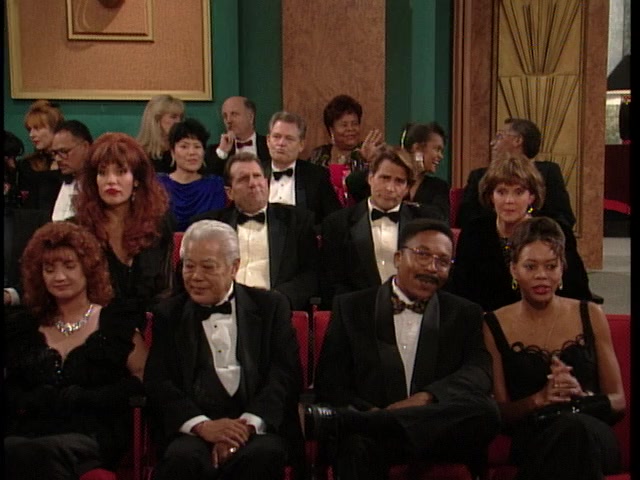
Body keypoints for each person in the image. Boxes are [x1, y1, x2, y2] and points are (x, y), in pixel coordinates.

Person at [305, 218, 500, 480]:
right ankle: (374, 424)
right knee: (356, 446)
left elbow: (479, 372)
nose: (432, 267)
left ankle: (371, 423)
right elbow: (330, 382)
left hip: (436, 437)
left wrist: (426, 398)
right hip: (373, 440)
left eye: (443, 261)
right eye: (423, 255)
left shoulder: (464, 313)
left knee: (487, 411)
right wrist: (371, 413)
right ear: (398, 257)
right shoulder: (352, 307)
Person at [144, 220, 304, 480]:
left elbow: (284, 375)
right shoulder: (168, 314)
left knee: (263, 455)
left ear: (234, 267)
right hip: (194, 430)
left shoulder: (271, 307)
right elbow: (159, 381)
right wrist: (202, 426)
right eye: (189, 266)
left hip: (256, 426)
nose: (195, 277)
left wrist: (245, 427)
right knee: (183, 458)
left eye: (208, 267)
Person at [483, 216, 625, 480]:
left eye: (551, 266)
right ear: (514, 270)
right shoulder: (493, 324)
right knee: (566, 439)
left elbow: (618, 400)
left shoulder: (590, 314)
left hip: (593, 434)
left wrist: (582, 397)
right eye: (530, 266)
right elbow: (500, 413)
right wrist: (540, 399)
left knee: (575, 429)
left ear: (562, 269)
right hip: (534, 437)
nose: (542, 276)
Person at [4, 221, 148, 479]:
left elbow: (143, 378)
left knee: (32, 453)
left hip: (93, 434)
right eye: (49, 269)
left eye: (69, 266)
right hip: (30, 432)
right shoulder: (23, 327)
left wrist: (92, 397)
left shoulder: (116, 323)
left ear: (88, 268)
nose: (59, 277)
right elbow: (11, 388)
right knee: (21, 449)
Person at [448, 152, 593, 312]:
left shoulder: (555, 231)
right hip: (487, 320)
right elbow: (461, 292)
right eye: (501, 192)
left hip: (548, 317)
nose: (509, 200)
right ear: (491, 196)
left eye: (518, 192)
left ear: (531, 197)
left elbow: (578, 293)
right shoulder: (474, 232)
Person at [189, 152, 319, 310]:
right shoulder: (209, 226)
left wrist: (277, 300)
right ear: (229, 192)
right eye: (243, 179)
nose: (253, 183)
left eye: (257, 176)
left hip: (274, 310)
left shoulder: (297, 221)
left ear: (266, 183)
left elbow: (311, 275)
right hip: (221, 307)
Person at [320, 146, 445, 308]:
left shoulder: (425, 223)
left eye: (399, 181)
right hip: (358, 311)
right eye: (384, 178)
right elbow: (332, 283)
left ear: (407, 188)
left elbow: (436, 278)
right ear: (370, 178)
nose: (390, 188)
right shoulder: (338, 223)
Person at [72, 132, 174, 325]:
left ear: (136, 179)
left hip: (151, 327)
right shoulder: (79, 229)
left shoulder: (158, 225)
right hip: (97, 327)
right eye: (102, 172)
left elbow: (166, 291)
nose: (111, 180)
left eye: (120, 172)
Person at [457, 117, 576, 230]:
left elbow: (564, 218)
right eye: (501, 192)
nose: (492, 143)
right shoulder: (479, 176)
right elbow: (465, 219)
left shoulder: (548, 172)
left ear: (518, 140)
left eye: (499, 137)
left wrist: (530, 226)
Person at [265, 111, 341, 228]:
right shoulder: (254, 173)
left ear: (301, 145)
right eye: (276, 137)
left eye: (289, 138)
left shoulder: (317, 176)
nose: (281, 143)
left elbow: (334, 219)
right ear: (268, 141)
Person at [308, 94, 383, 206]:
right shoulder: (319, 155)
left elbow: (375, 190)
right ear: (331, 129)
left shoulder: (369, 152)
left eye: (354, 124)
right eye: (344, 125)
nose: (350, 129)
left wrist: (368, 162)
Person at [157, 118, 226, 232]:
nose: (192, 152)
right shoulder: (158, 185)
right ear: (172, 152)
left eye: (197, 146)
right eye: (184, 146)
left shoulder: (215, 186)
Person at [205, 96, 271, 177]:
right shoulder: (214, 152)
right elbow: (210, 180)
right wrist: (222, 152)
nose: (228, 120)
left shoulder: (269, 145)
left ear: (251, 117)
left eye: (234, 114)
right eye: (225, 116)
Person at [17, 99, 65, 211]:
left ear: (55, 129)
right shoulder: (27, 165)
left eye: (37, 128)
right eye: (30, 129)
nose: (31, 135)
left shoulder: (71, 162)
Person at [400, 122, 451, 222]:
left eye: (441, 151)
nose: (441, 156)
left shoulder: (439, 186)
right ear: (417, 148)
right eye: (437, 149)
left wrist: (409, 206)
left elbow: (440, 217)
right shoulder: (393, 179)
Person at [50, 120, 93, 221]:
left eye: (64, 151)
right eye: (55, 153)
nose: (58, 159)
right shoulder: (62, 182)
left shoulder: (100, 185)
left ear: (85, 147)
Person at [136, 94, 185, 173]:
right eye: (173, 117)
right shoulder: (138, 154)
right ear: (156, 120)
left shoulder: (183, 152)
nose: (179, 122)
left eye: (181, 117)